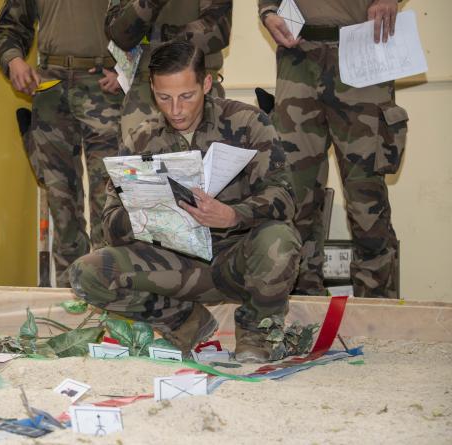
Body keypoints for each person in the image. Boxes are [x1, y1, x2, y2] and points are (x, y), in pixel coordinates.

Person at [69, 40, 300, 363]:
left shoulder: (248, 123)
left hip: (237, 259)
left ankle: (257, 332)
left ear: (206, 84)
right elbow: (110, 223)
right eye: (164, 98)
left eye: (186, 96)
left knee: (280, 240)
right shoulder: (141, 138)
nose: (176, 109)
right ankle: (186, 323)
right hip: (175, 265)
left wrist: (233, 215)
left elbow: (283, 196)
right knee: (87, 273)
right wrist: (150, 214)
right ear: (151, 89)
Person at [260, 0, 408, 298]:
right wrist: (268, 11)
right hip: (297, 53)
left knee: (366, 199)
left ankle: (376, 313)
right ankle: (302, 307)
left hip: (363, 45)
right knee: (294, 194)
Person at [0, 0, 123, 287]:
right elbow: (9, 27)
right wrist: (14, 60)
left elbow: (146, 24)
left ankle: (108, 292)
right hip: (50, 87)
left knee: (110, 197)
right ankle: (70, 293)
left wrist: (127, 72)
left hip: (104, 88)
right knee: (60, 198)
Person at [106, 0, 232, 137]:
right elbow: (119, 35)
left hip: (195, 88)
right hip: (145, 89)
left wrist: (161, 36)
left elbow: (217, 30)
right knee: (138, 157)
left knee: (202, 156)